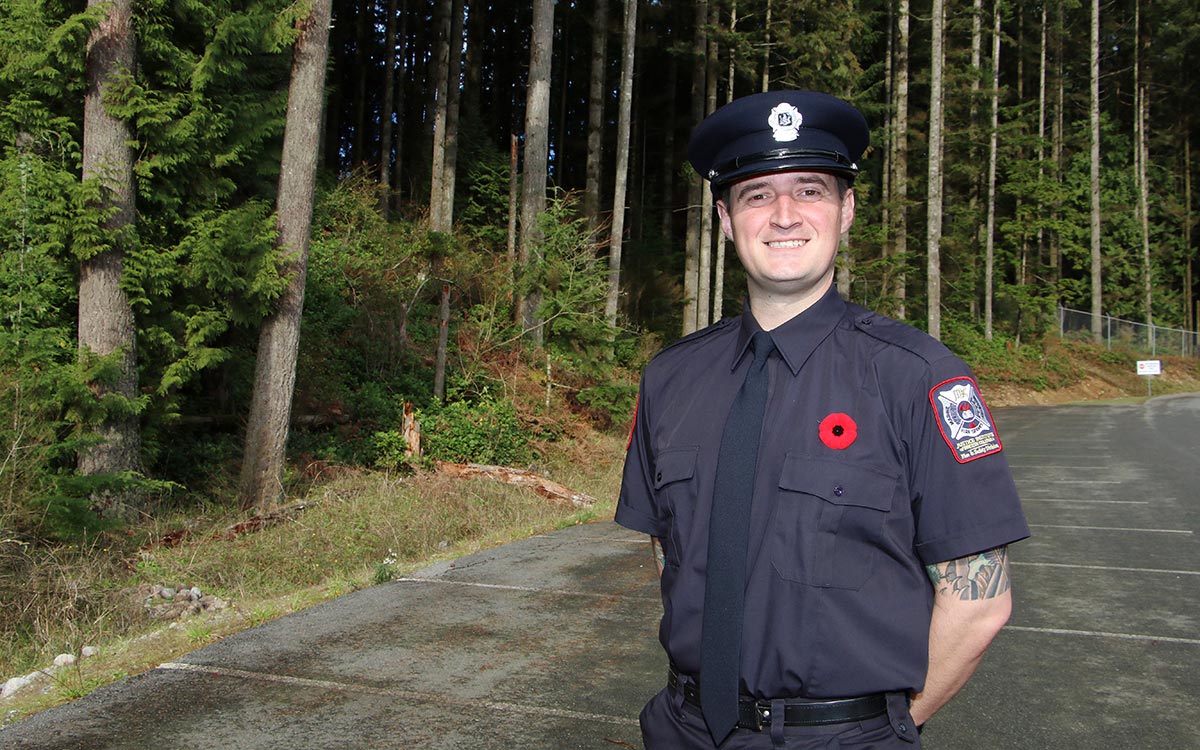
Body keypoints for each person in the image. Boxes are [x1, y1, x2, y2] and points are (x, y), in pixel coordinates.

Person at [614, 90, 1030, 750]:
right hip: (682, 730)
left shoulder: (919, 377)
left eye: (810, 191)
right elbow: (673, 553)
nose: (783, 215)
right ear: (725, 219)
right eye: (756, 195)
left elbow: (979, 602)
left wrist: (885, 730)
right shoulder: (671, 378)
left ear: (846, 211)